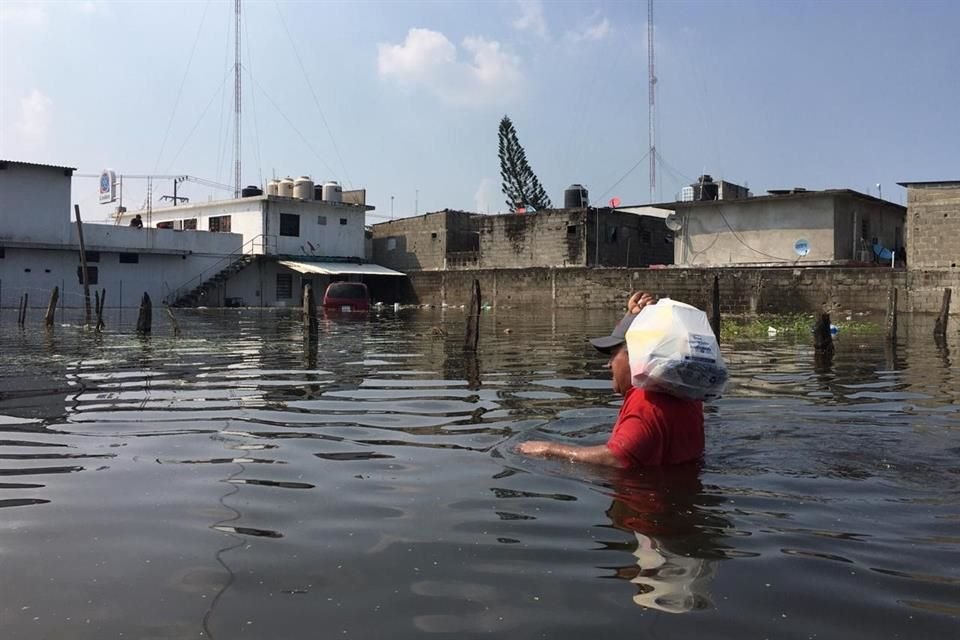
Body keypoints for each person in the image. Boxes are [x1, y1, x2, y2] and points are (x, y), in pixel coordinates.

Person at [517, 292, 705, 468]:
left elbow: (616, 457)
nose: (608, 364)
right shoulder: (681, 388)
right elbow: (644, 339)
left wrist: (550, 449)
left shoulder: (646, 402)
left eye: (614, 354)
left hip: (646, 500)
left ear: (636, 356)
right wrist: (632, 315)